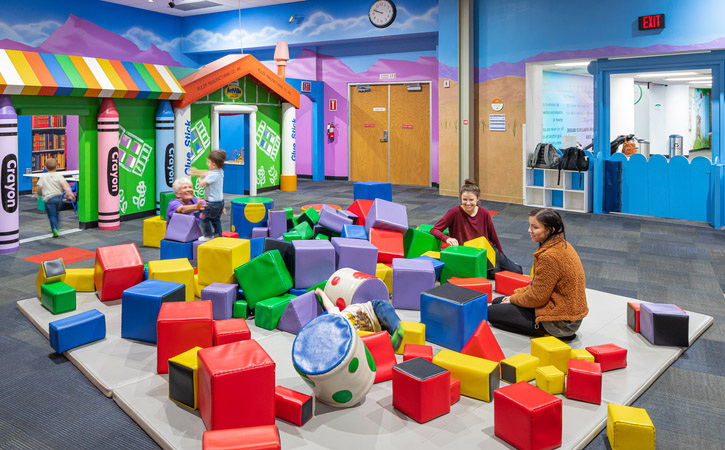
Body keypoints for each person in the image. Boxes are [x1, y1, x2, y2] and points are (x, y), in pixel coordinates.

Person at [487, 208, 588, 341]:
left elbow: (537, 297)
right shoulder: (562, 244)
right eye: (530, 226)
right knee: (497, 302)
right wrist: (515, 296)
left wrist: (513, 299)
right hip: (568, 316)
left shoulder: (549, 256)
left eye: (535, 227)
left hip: (560, 323)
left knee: (491, 313)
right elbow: (537, 287)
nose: (529, 230)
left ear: (550, 230)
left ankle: (547, 333)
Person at [430, 179, 520, 274]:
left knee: (517, 270)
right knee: (495, 273)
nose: (468, 203)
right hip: (470, 255)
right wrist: (447, 238)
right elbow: (435, 230)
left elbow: (493, 235)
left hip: (487, 250)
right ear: (461, 198)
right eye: (465, 199)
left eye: (471, 200)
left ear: (477, 199)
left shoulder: (484, 213)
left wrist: (502, 255)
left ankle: (508, 263)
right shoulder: (454, 212)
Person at [315, 288, 405, 351]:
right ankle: (396, 335)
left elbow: (329, 305)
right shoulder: (348, 338)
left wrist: (321, 293)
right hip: (379, 328)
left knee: (389, 316)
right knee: (389, 335)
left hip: (374, 309)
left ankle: (398, 327)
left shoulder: (336, 316)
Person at [34, 158, 75, 238]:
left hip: (49, 199)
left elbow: (39, 187)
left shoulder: (43, 176)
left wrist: (37, 194)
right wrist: (69, 193)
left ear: (45, 167)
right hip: (59, 198)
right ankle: (56, 226)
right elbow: (65, 185)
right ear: (57, 166)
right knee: (56, 213)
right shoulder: (59, 176)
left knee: (51, 215)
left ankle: (54, 229)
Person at [191, 150, 226, 242]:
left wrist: (199, 177)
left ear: (213, 164)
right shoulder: (220, 171)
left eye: (208, 162)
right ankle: (218, 235)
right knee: (216, 220)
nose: (207, 164)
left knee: (203, 218)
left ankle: (207, 235)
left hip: (211, 203)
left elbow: (202, 183)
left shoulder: (212, 175)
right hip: (220, 202)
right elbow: (207, 172)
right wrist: (198, 172)